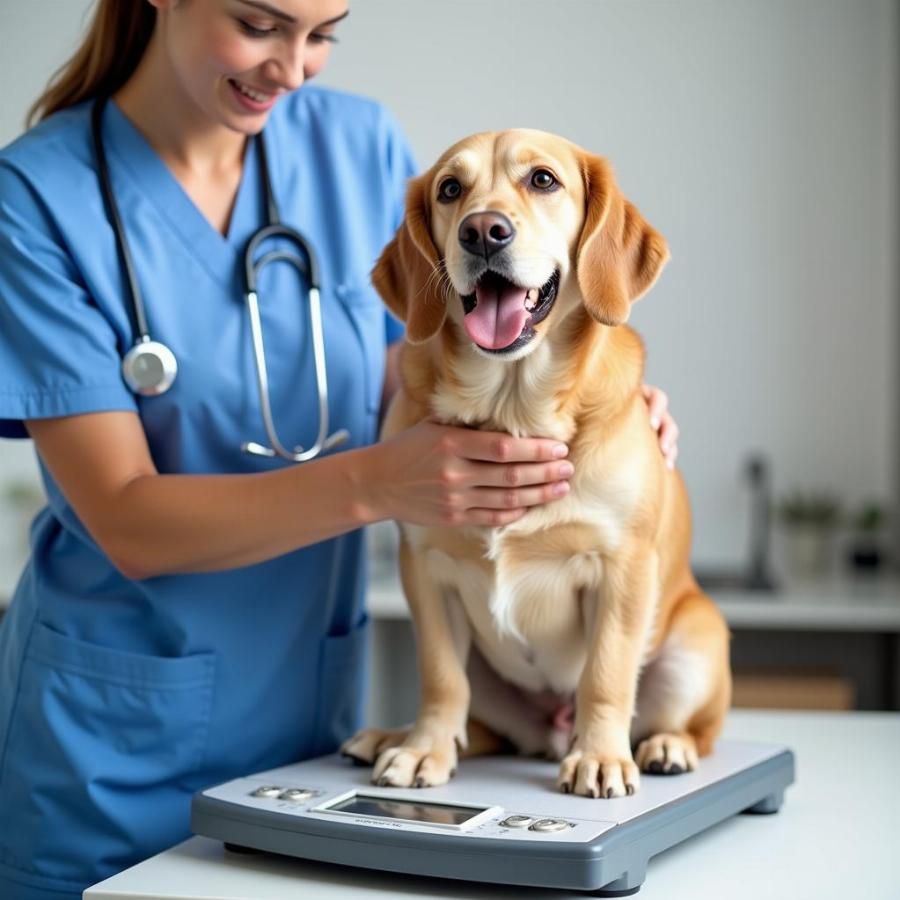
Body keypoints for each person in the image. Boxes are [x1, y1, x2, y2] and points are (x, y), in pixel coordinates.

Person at [0, 2, 681, 897]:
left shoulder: (356, 148)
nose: (292, 67)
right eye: (259, 24)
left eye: (322, 34)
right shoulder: (36, 197)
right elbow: (126, 519)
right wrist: (377, 485)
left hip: (315, 739)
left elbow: (435, 362)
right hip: (109, 744)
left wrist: (599, 412)